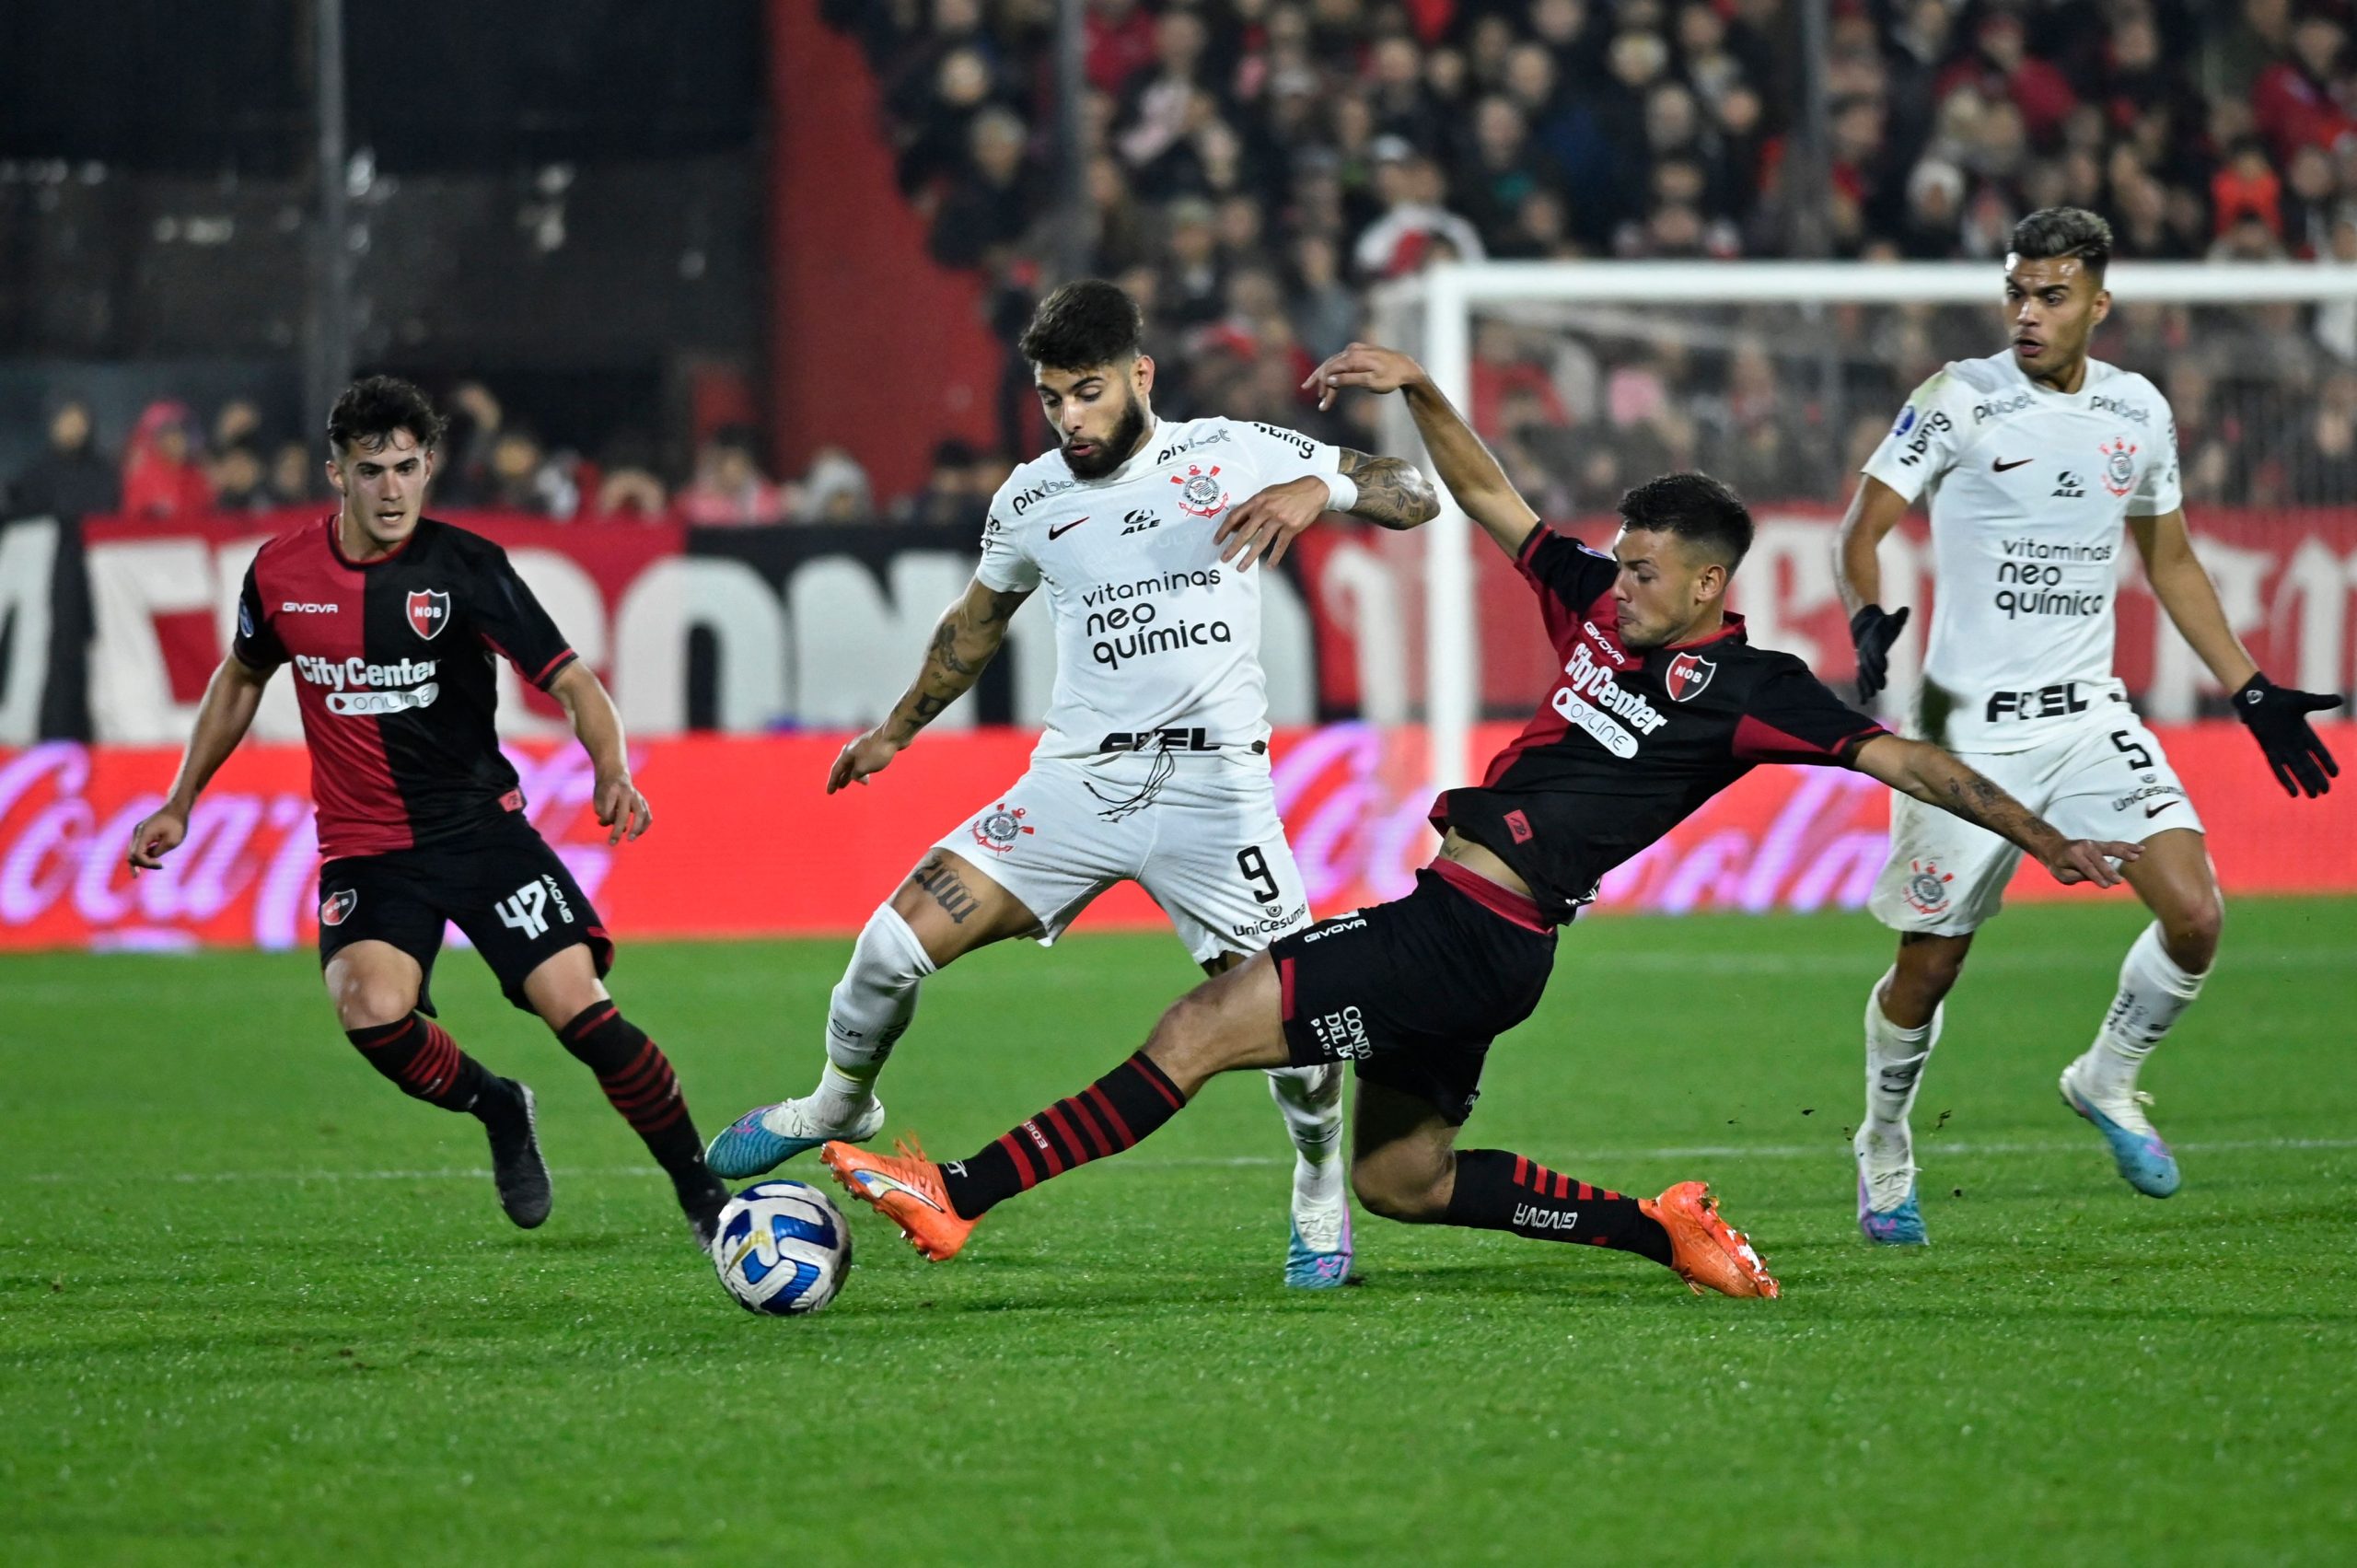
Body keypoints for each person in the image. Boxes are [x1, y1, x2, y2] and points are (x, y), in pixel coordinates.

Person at [819, 342, 2140, 1300]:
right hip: (1487, 941)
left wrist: (2045, 838)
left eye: (1638, 569)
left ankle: (959, 1195)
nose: (1610, 582)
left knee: (1201, 1026)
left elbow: (1910, 761)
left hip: (1465, 929)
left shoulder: (1753, 689)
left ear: (1707, 580)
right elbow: (1496, 502)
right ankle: (1663, 1228)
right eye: (1614, 563)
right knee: (1404, 1176)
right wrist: (1430, 397)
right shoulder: (1594, 606)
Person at [703, 280, 1441, 1288]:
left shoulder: (1231, 451)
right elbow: (974, 625)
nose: (1070, 418)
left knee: (1296, 1038)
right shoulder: (1029, 498)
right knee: (886, 948)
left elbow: (1414, 489)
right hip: (1077, 784)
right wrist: (895, 731)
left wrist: (1327, 488)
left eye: (1088, 392)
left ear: (1140, 375)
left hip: (1213, 794)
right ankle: (838, 1101)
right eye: (1053, 398)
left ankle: (1317, 1185)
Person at [125, 377, 732, 1246]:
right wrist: (182, 800)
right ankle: (499, 1105)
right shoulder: (280, 572)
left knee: (583, 1011)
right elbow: (243, 676)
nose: (393, 489)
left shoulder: (467, 568)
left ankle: (700, 1193)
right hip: (367, 848)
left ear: (429, 464)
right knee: (370, 1008)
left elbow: (570, 677)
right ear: (336, 472)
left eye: (408, 467)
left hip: (482, 833)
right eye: (371, 470)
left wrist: (613, 770)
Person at [1837, 207, 2341, 1246]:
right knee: (1928, 967)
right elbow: (1864, 526)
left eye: (2050, 295)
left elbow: (2169, 559)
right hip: (1962, 738)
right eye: (2016, 292)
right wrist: (1864, 613)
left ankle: (2105, 1076)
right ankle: (1882, 1138)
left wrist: (2248, 687)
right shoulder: (1958, 397)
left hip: (2087, 719)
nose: (2027, 312)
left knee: (2196, 915)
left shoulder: (2136, 410)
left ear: (2096, 303)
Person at [7, 397, 120, 520]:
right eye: (68, 422)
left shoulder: (103, 470)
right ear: (54, 425)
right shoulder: (35, 474)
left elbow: (109, 512)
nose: (74, 429)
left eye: (79, 423)